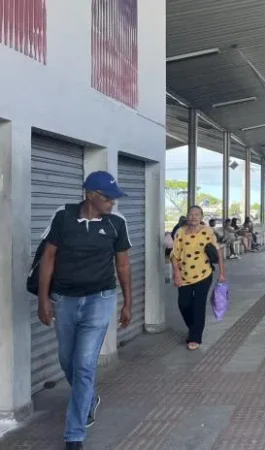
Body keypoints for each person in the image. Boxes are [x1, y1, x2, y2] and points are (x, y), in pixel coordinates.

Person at [37, 171, 133, 450]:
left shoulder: (116, 223)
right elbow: (48, 258)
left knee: (84, 365)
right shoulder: (64, 217)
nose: (112, 203)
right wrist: (43, 299)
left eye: (114, 198)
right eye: (107, 198)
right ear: (90, 195)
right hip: (64, 300)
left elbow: (123, 265)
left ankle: (74, 434)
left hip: (100, 300)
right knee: (67, 360)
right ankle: (89, 399)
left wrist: (128, 302)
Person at [170, 206, 226, 351]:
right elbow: (174, 255)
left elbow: (218, 251)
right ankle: (193, 326)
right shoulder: (180, 232)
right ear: (187, 216)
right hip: (184, 275)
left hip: (204, 274)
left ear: (201, 217)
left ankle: (195, 337)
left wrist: (222, 273)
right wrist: (176, 274)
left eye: (197, 214)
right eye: (191, 214)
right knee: (183, 304)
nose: (194, 217)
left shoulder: (207, 232)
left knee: (198, 305)